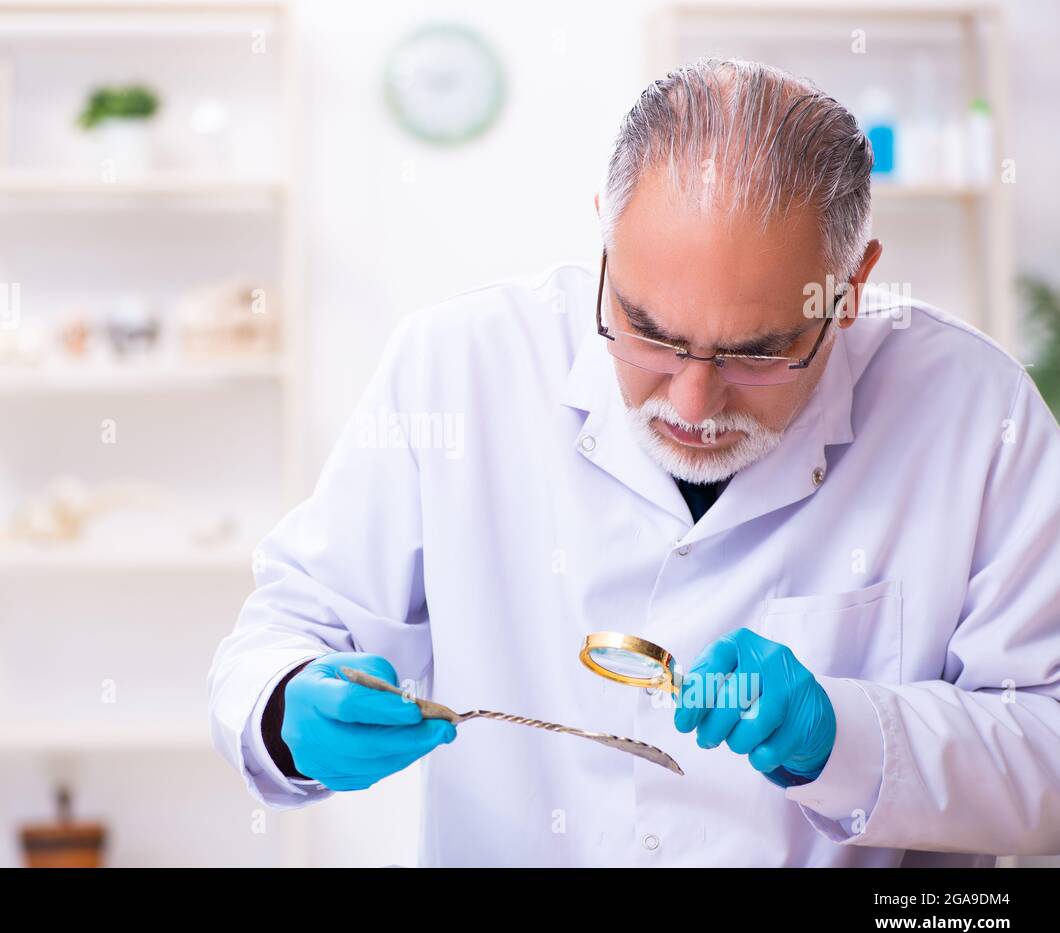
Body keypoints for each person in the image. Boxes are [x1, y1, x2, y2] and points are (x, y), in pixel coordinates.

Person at [207, 58, 1060, 866]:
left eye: (756, 354)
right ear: (606, 240)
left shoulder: (976, 413)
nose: (691, 406)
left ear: (850, 288)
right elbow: (292, 623)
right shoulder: (458, 365)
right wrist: (287, 709)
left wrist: (844, 731)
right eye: (649, 331)